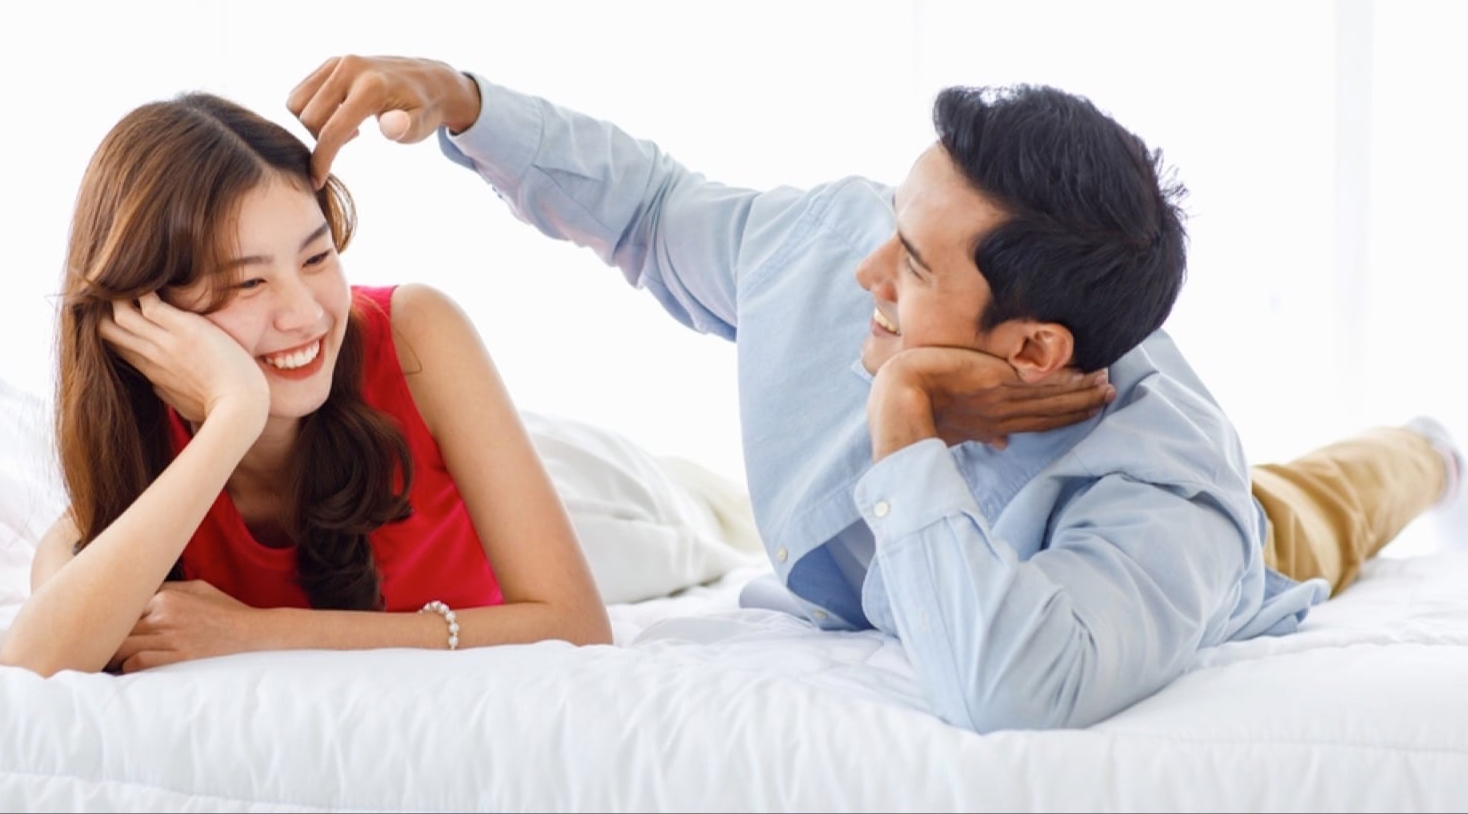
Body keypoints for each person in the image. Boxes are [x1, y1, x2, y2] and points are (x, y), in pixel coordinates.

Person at [284, 55, 1465, 733]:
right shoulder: (837, 242)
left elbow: (1006, 686)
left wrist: (904, 425)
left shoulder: (1168, 494)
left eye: (909, 264)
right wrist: (460, 98)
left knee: (1338, 498)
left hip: (1251, 542)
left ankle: (1426, 444)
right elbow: (648, 210)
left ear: (1035, 350)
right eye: (893, 228)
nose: (864, 269)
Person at [0, 91, 612, 678]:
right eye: (247, 284)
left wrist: (260, 633)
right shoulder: (140, 441)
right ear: (145, 311)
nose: (306, 316)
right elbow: (34, 662)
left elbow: (577, 625)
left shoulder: (418, 335)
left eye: (317, 259)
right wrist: (235, 413)